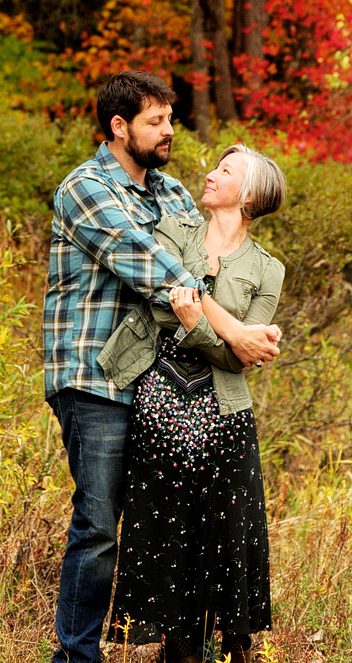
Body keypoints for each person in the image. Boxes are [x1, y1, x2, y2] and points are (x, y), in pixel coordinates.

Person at [45, 72, 282, 663]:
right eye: (156, 121)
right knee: (100, 527)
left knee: (176, 525)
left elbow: (218, 262)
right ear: (119, 127)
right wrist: (235, 331)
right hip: (94, 378)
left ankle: (187, 649)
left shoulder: (173, 194)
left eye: (171, 119)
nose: (169, 131)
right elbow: (153, 266)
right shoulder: (84, 189)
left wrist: (258, 323)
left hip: (159, 388)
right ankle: (76, 658)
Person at [100, 143, 287, 663]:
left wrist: (196, 324)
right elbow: (160, 307)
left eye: (225, 171)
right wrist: (215, 331)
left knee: (225, 533)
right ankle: (178, 651)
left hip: (224, 415)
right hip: (160, 402)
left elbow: (237, 361)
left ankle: (232, 649)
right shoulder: (174, 232)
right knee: (161, 528)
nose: (210, 173)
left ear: (247, 196)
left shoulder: (268, 270)